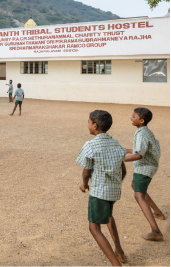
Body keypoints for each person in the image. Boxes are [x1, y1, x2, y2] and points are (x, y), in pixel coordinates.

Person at [77, 110, 127, 267]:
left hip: (99, 192)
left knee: (94, 228)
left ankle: (116, 264)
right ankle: (120, 252)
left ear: (95, 125)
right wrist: (116, 183)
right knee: (109, 217)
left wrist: (84, 186)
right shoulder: (116, 143)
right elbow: (123, 170)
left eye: (88, 122)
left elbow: (86, 173)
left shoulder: (91, 145)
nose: (87, 125)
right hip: (113, 192)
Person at [125, 108, 165, 242]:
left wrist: (119, 158)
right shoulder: (145, 131)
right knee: (134, 185)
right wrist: (124, 150)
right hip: (149, 166)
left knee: (138, 195)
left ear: (141, 121)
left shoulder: (141, 134)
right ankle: (158, 212)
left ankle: (156, 231)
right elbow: (140, 149)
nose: (131, 118)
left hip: (144, 168)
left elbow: (139, 154)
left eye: (133, 116)